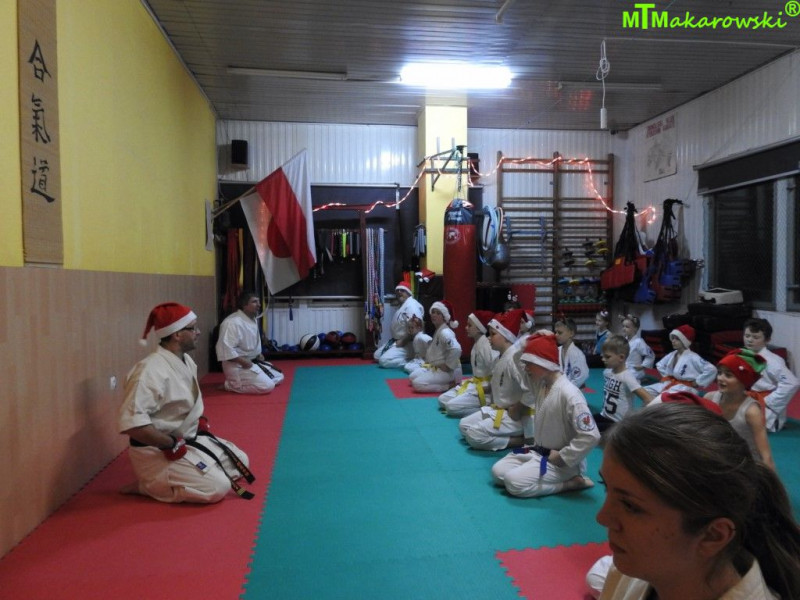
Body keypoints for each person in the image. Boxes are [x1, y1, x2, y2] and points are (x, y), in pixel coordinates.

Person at [590, 403, 800, 600]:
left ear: (712, 536)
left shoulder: (641, 564)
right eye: (605, 486)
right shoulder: (637, 569)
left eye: (630, 506)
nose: (602, 518)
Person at [118, 302, 252, 503]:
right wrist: (169, 443)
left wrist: (196, 422)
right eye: (193, 328)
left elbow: (181, 405)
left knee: (241, 461)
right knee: (218, 487)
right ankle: (150, 485)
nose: (198, 332)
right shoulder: (148, 372)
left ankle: (191, 473)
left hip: (186, 439)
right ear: (177, 334)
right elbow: (133, 425)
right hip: (158, 450)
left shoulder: (187, 361)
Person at [490, 332, 599, 497]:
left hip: (560, 462)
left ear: (543, 363)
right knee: (498, 472)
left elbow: (591, 435)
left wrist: (563, 456)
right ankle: (538, 473)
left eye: (529, 364)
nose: (526, 368)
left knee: (514, 483)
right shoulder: (540, 385)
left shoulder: (570, 394)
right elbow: (517, 360)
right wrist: (529, 341)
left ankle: (571, 483)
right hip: (538, 452)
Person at [458, 309, 527, 451]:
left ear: (506, 337)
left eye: (493, 334)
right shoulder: (500, 357)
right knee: (463, 425)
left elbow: (531, 390)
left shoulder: (515, 360)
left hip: (514, 416)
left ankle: (518, 440)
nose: (489, 338)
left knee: (473, 435)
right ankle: (502, 435)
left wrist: (517, 408)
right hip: (497, 410)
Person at [704, 348, 775, 469]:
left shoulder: (751, 411)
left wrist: (771, 479)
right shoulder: (709, 398)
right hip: (718, 459)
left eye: (728, 375)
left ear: (743, 381)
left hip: (745, 466)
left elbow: (765, 455)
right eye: (720, 373)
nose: (720, 378)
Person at [215, 291, 282, 394]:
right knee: (268, 386)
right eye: (254, 302)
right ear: (244, 305)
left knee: (279, 376)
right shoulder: (232, 323)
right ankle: (231, 385)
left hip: (252, 362)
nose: (259, 305)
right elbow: (225, 349)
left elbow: (248, 344)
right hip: (238, 365)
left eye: (258, 302)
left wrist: (258, 354)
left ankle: (252, 380)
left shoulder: (252, 319)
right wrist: (243, 362)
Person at [743, 317, 800, 432]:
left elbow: (792, 383)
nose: (750, 340)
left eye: (755, 337)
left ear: (767, 340)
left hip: (764, 404)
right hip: (747, 399)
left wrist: (768, 401)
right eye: (747, 336)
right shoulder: (742, 355)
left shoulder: (773, 361)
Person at [439, 310, 498, 417]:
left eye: (469, 325)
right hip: (474, 384)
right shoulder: (477, 343)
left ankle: (486, 409)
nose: (466, 328)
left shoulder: (487, 346)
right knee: (442, 399)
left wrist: (487, 388)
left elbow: (495, 374)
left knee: (451, 407)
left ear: (479, 328)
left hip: (485, 391)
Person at [593, 335, 652, 433]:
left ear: (621, 357)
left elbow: (648, 398)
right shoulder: (608, 372)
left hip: (618, 424)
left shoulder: (627, 377)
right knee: (583, 421)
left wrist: (639, 419)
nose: (603, 359)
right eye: (602, 356)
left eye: (607, 356)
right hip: (605, 415)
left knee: (589, 429)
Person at [643, 325, 716, 399]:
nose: (673, 341)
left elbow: (712, 369)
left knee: (664, 396)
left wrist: (697, 382)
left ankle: (660, 402)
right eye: (673, 338)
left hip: (685, 388)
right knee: (645, 391)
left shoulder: (693, 357)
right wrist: (667, 377)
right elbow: (660, 365)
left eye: (677, 339)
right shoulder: (673, 354)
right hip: (671, 384)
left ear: (685, 342)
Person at [409, 300, 462, 392]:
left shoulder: (445, 332)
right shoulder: (439, 330)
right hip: (435, 367)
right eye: (433, 312)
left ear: (444, 317)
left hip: (447, 371)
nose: (434, 315)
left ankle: (448, 386)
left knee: (417, 384)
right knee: (412, 377)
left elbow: (456, 349)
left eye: (438, 313)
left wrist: (448, 366)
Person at [374, 282, 424, 369]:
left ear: (408, 293)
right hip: (396, 341)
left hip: (408, 343)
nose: (399, 292)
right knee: (376, 356)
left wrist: (403, 341)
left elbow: (416, 328)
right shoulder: (403, 305)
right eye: (398, 291)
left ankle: (411, 362)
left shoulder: (412, 306)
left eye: (402, 290)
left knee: (383, 361)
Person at [554, 317, 589, 388]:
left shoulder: (577, 354)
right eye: (556, 332)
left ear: (571, 333)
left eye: (560, 333)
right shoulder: (557, 350)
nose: (556, 335)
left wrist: (567, 389)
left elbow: (582, 376)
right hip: (560, 389)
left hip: (572, 391)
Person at [620, 314, 654, 383]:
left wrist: (643, 366)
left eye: (627, 327)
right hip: (624, 367)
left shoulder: (639, 342)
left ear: (635, 328)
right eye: (623, 326)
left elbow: (650, 355)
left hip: (635, 370)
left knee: (626, 379)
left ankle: (639, 380)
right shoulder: (624, 340)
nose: (624, 328)